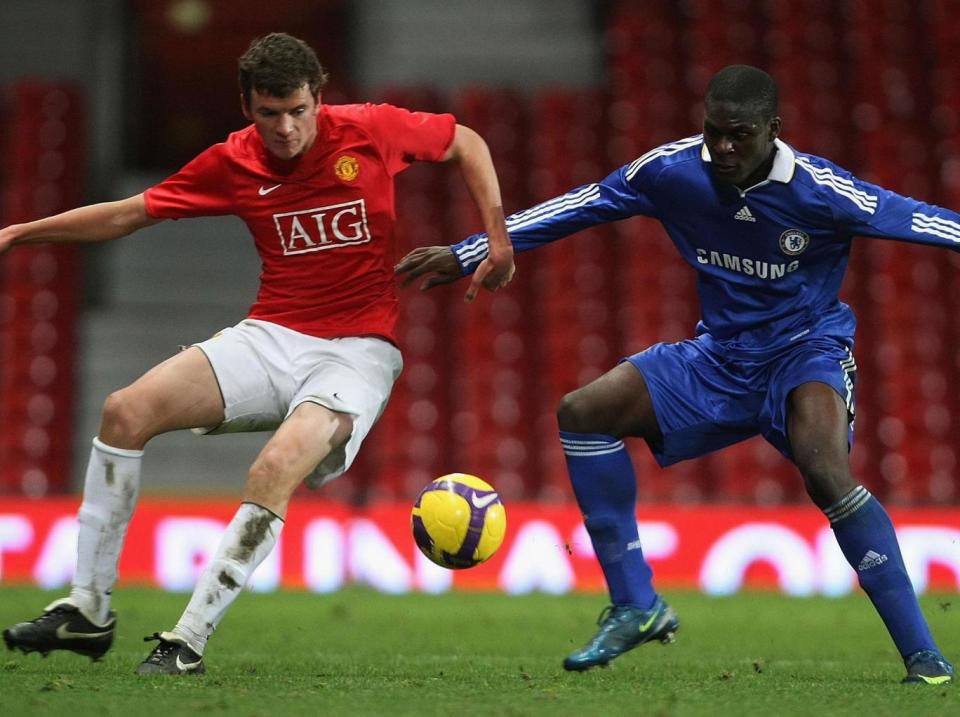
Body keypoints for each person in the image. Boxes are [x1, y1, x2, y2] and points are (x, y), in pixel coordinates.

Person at [395, 65, 956, 685]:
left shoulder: (821, 192)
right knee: (583, 412)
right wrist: (473, 250)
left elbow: (927, 221)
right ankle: (636, 604)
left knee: (825, 470)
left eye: (739, 135)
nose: (723, 149)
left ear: (774, 129)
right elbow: (580, 205)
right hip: (718, 358)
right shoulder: (670, 170)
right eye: (714, 133)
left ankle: (923, 656)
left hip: (805, 351)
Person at [1, 32, 514, 675]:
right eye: (270, 114)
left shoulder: (370, 130)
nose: (287, 128)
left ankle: (185, 641)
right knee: (123, 411)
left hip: (356, 353)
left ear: (319, 100)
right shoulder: (231, 162)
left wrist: (496, 239)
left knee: (273, 467)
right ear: (248, 108)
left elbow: (467, 140)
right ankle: (87, 611)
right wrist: (21, 232)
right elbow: (129, 215)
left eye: (298, 111)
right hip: (271, 334)